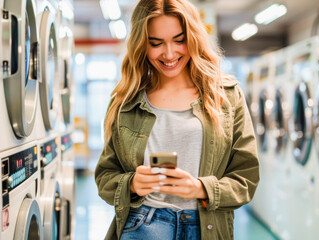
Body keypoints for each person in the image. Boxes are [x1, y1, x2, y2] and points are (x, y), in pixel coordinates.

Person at [94, 0, 259, 239]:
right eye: (156, 43)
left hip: (206, 228)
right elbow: (105, 176)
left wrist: (201, 188)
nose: (169, 54)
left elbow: (246, 178)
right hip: (144, 225)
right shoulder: (125, 103)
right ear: (142, 44)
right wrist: (131, 184)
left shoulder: (226, 96)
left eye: (179, 40)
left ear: (193, 37)